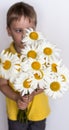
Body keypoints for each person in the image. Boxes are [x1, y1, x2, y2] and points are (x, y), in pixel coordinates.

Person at [0, 2, 50, 130]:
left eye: (29, 30)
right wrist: (17, 97)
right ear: (9, 31)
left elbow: (48, 81)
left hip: (39, 112)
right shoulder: (5, 57)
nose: (24, 36)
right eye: (18, 30)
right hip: (15, 114)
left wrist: (33, 93)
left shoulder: (42, 53)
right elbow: (2, 84)